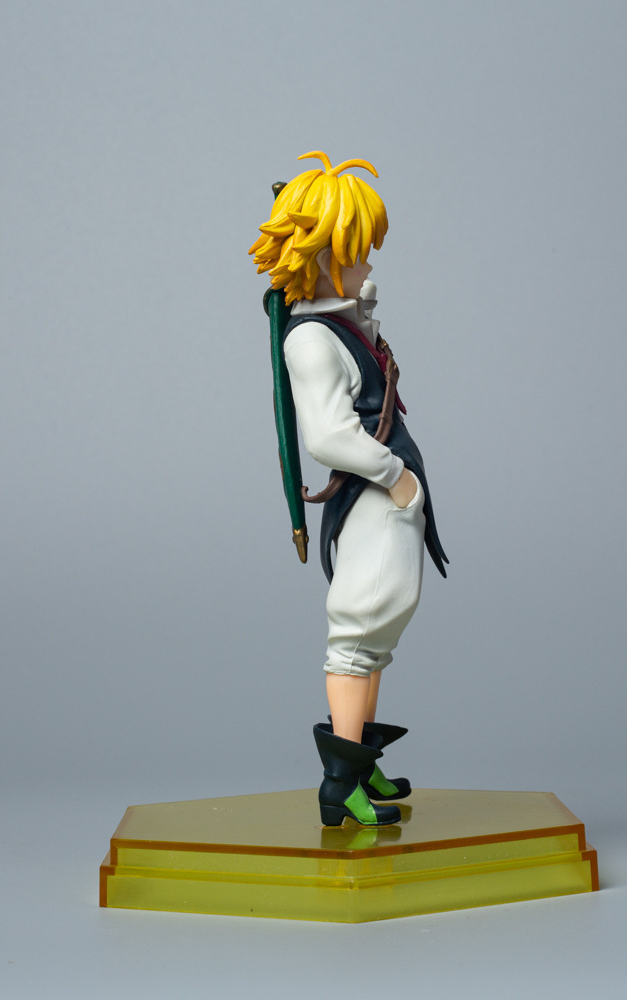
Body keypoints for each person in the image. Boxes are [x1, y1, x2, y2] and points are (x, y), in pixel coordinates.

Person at [250, 152, 447, 826]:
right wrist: (395, 478)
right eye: (357, 253)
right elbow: (330, 436)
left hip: (386, 498)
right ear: (327, 257)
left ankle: (360, 760)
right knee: (358, 635)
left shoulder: (335, 325)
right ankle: (340, 785)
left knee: (378, 632)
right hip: (371, 497)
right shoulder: (311, 340)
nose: (368, 267)